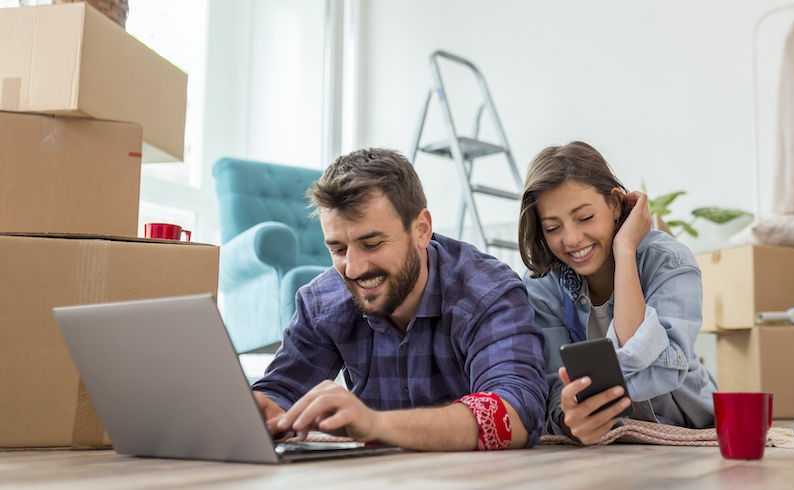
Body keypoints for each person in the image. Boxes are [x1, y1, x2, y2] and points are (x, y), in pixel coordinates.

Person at [252, 148, 547, 451]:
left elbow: (517, 413)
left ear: (421, 230)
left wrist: (375, 424)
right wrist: (266, 410)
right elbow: (281, 392)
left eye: (372, 243)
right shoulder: (321, 304)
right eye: (339, 249)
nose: (352, 269)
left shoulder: (488, 293)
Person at [518, 141, 717, 445]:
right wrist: (569, 417)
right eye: (553, 228)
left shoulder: (669, 261)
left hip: (686, 426)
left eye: (585, 218)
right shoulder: (542, 286)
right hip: (608, 442)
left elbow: (656, 370)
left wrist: (624, 251)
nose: (571, 239)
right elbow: (555, 389)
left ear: (614, 205)